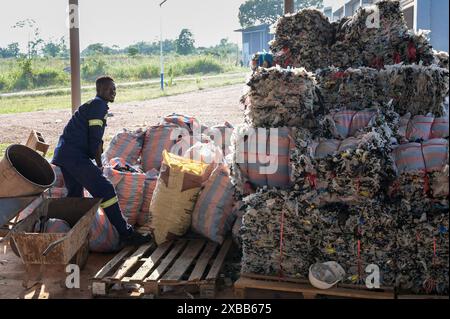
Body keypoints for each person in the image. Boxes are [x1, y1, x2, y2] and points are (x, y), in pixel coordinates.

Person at [52, 76, 151, 246]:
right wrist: (98, 164)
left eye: (114, 88)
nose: (113, 92)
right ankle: (126, 233)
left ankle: (71, 236)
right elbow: (95, 140)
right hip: (74, 156)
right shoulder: (98, 105)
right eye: (108, 89)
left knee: (75, 195)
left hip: (65, 154)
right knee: (105, 188)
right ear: (99, 91)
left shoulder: (94, 105)